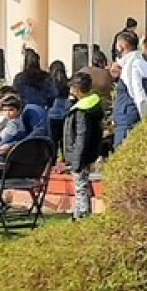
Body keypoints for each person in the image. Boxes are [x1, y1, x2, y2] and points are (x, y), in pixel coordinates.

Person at [61, 72, 104, 219]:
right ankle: (82, 212)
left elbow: (81, 135)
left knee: (80, 186)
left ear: (77, 89)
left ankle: (82, 215)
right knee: (84, 184)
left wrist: (76, 159)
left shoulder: (82, 111)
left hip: (81, 154)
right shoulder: (91, 104)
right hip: (90, 152)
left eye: (72, 89)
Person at [111, 30, 147, 148]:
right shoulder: (146, 65)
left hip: (128, 119)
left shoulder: (132, 67)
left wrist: (146, 119)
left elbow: (139, 95)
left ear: (122, 47)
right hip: (132, 116)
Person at [11, 48, 56, 112]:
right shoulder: (47, 77)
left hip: (24, 111)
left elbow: (15, 96)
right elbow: (53, 95)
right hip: (42, 110)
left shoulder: (19, 78)